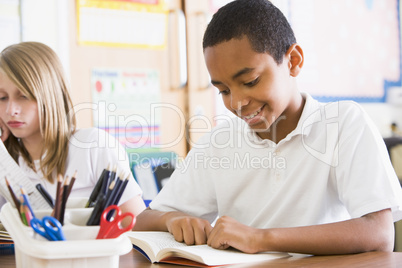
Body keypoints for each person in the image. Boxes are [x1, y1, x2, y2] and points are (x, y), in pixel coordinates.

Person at [134, 0, 402, 255]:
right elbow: (143, 220)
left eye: (250, 81)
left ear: (293, 61)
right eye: (223, 91)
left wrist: (260, 238)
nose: (237, 102)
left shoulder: (342, 123)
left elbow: (378, 235)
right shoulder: (219, 144)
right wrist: (172, 219)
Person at [0, 42, 146, 218]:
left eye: (23, 96)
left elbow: (135, 220)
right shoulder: (7, 160)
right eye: (2, 98)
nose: (11, 110)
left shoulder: (92, 145)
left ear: (51, 95)